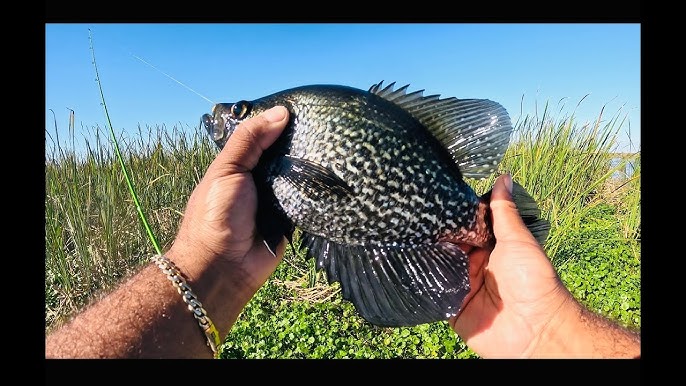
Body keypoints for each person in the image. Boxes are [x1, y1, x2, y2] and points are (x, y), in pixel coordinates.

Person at [44, 106, 641, 359]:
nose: (228, 118)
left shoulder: (294, 127)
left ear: (266, 121)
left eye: (242, 111)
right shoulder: (277, 161)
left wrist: (209, 266)